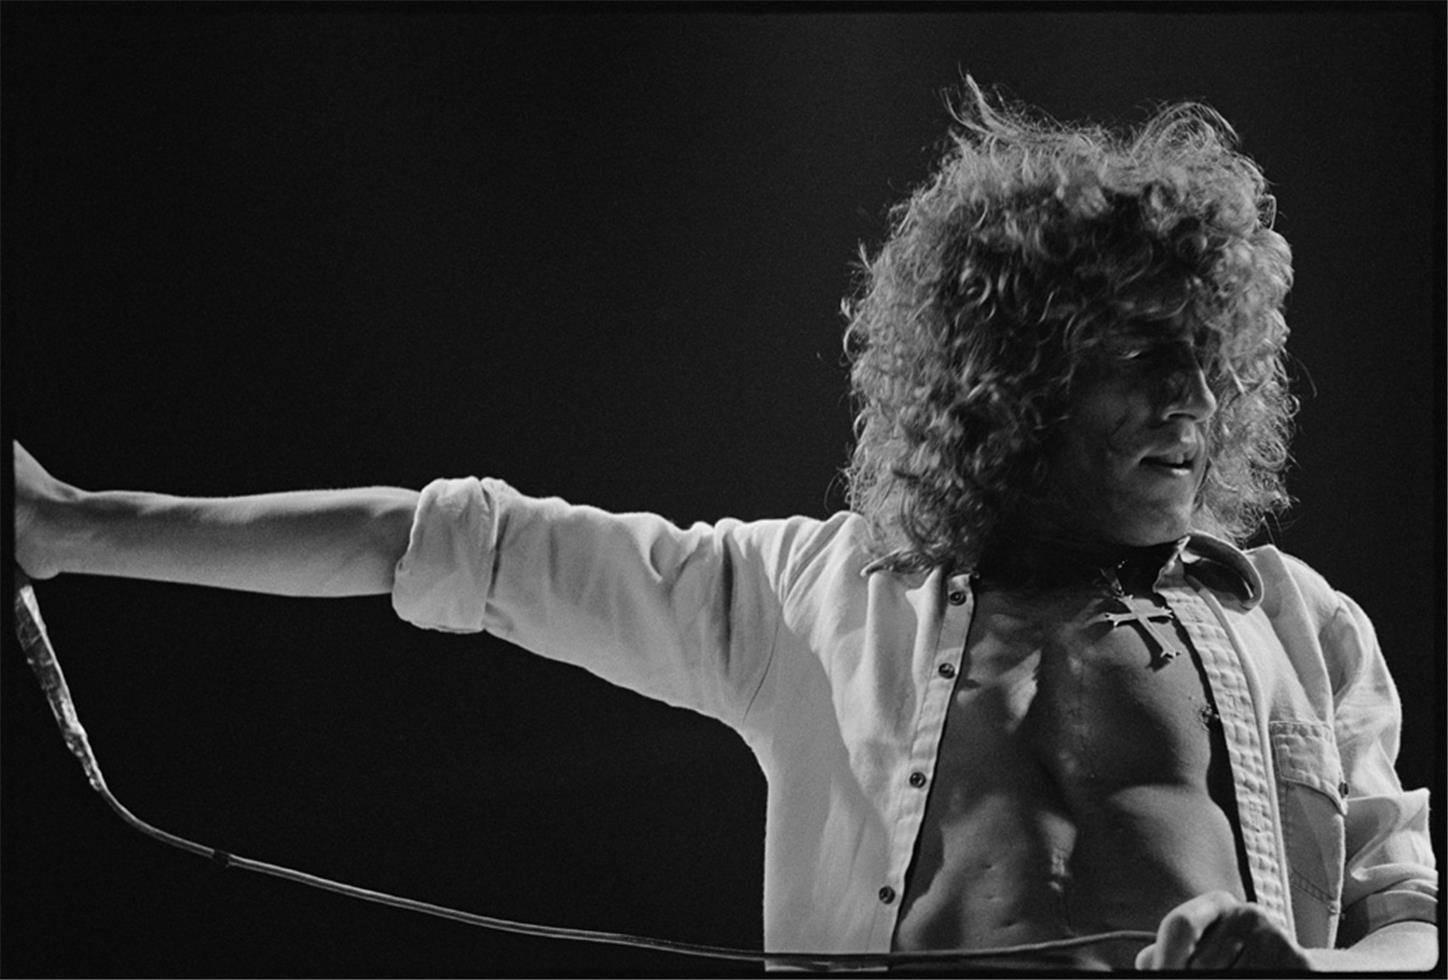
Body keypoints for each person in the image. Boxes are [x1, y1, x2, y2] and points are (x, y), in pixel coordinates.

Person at [12, 81, 1437, 971]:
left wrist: (1295, 976)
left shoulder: (1303, 627)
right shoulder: (806, 598)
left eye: (1206, 358)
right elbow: (443, 543)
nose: (1189, 401)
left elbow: (1414, 924)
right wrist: (70, 525)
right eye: (1138, 352)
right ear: (1017, 371)